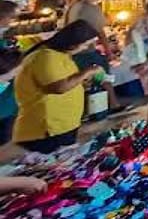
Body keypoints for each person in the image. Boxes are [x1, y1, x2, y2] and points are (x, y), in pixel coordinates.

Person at [13, 21, 104, 153]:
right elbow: (58, 87)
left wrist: (82, 82)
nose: (86, 48)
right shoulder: (45, 57)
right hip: (48, 128)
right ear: (73, 43)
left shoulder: (61, 55)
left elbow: (66, 80)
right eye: (85, 44)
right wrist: (88, 72)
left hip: (64, 124)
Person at [64, 0, 125, 112]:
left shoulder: (74, 6)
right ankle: (113, 104)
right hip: (85, 50)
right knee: (103, 72)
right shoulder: (92, 9)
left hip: (72, 51)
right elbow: (101, 33)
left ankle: (86, 109)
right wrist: (109, 54)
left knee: (82, 80)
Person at [0, 0, 20, 144]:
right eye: (11, 17)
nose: (13, 21)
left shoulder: (3, 37)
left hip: (8, 103)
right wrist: (17, 69)